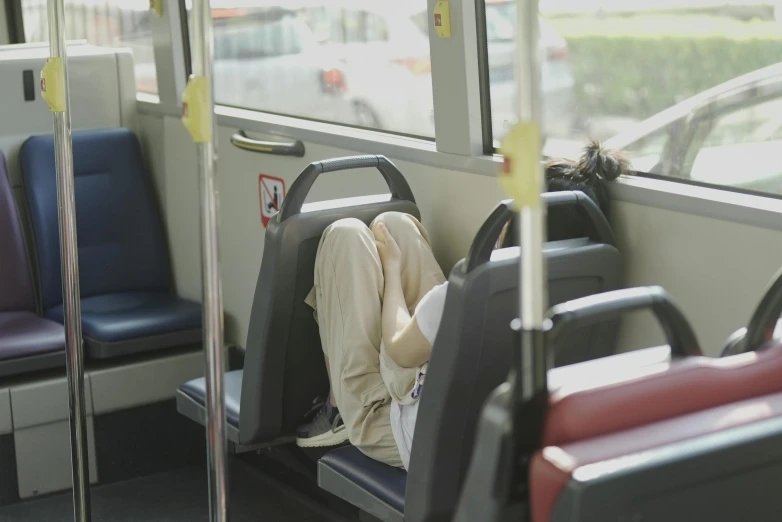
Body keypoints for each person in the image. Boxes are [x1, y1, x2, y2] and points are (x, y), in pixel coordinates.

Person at [296, 142, 629, 470]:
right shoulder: (595, 280)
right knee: (395, 224)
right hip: (493, 423)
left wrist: (392, 273)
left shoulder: (474, 289)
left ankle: (339, 406)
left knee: (344, 235)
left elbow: (399, 350)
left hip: (418, 435)